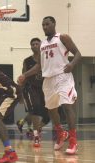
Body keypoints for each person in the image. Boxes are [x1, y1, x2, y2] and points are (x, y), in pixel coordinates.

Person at [18, 16, 81, 154]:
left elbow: (77, 53)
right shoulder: (42, 44)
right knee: (52, 110)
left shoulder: (62, 37)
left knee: (67, 106)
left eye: (47, 24)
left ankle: (73, 142)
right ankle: (60, 134)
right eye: (43, 25)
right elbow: (39, 66)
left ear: (54, 24)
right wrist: (25, 75)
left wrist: (71, 64)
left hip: (63, 77)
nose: (45, 27)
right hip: (48, 80)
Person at [18, 38, 50, 147]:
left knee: (48, 115)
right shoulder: (27, 61)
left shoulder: (47, 58)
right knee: (35, 110)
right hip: (30, 88)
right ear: (31, 47)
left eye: (37, 43)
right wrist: (21, 94)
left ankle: (36, 129)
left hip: (45, 88)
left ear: (41, 45)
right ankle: (36, 136)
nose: (35, 45)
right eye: (33, 44)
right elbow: (23, 77)